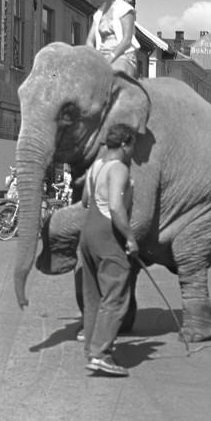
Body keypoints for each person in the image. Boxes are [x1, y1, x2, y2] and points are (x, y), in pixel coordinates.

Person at [79, 123, 139, 376]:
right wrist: (130, 238)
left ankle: (91, 350)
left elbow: (84, 200)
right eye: (133, 144)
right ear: (125, 144)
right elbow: (115, 207)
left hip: (88, 233)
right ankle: (101, 354)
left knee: (93, 298)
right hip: (107, 234)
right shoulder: (119, 169)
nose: (133, 149)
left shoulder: (96, 166)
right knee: (115, 296)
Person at [85, 0, 139, 78]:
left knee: (112, 77)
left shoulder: (125, 9)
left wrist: (110, 58)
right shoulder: (99, 13)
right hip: (102, 58)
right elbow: (90, 40)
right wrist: (95, 58)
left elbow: (127, 40)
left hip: (123, 57)